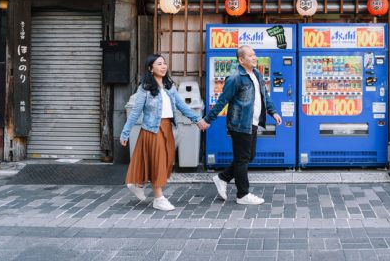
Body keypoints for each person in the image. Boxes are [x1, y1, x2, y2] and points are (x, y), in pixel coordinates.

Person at [120, 54, 209, 211]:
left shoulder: (170, 87)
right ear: (150, 68)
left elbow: (182, 106)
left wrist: (197, 120)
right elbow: (134, 113)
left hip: (167, 128)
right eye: (159, 64)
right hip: (152, 129)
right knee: (158, 163)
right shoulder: (145, 89)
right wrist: (125, 133)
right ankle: (158, 198)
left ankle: (138, 183)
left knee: (166, 162)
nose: (163, 66)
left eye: (164, 63)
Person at [204, 45, 282, 205]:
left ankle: (222, 178)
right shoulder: (235, 78)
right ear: (241, 60)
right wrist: (207, 119)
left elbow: (265, 96)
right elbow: (222, 101)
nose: (255, 57)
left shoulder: (257, 74)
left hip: (252, 122)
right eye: (251, 55)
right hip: (239, 123)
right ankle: (242, 194)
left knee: (248, 156)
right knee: (242, 159)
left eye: (255, 55)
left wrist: (273, 112)